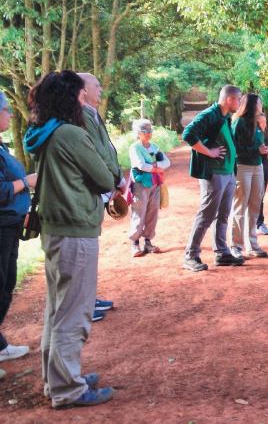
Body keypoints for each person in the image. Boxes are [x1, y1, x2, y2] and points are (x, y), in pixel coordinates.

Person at [24, 70, 117, 408]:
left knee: (57, 310)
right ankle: (68, 389)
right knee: (73, 313)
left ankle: (58, 379)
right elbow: (106, 177)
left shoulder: (44, 132)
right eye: (81, 93)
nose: (85, 98)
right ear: (70, 97)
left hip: (54, 229)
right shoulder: (71, 135)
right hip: (74, 228)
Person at [181, 85, 244, 271]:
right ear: (229, 99)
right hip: (214, 173)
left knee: (223, 215)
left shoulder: (225, 117)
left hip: (227, 172)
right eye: (238, 99)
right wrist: (208, 151)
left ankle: (222, 252)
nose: (240, 103)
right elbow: (188, 134)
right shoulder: (210, 114)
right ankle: (191, 255)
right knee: (206, 214)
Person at [76, 73, 121, 321]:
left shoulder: (91, 112)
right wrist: (115, 179)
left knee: (89, 250)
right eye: (96, 85)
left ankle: (88, 298)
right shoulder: (82, 115)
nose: (101, 89)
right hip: (90, 191)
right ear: (83, 89)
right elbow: (97, 152)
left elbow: (106, 149)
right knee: (82, 252)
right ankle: (83, 304)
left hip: (100, 185)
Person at [0, 93, 36, 367]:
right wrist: (27, 181)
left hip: (9, 226)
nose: (11, 115)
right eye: (7, 110)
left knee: (6, 285)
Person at [231, 93, 268, 258]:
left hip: (258, 167)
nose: (261, 105)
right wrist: (256, 150)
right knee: (240, 206)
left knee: (255, 206)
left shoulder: (257, 122)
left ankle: (252, 245)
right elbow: (235, 148)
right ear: (253, 104)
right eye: (259, 102)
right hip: (243, 167)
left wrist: (262, 151)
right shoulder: (238, 122)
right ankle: (236, 246)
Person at [127, 119, 170, 257]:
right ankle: (135, 243)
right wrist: (157, 167)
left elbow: (167, 162)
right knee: (139, 212)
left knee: (153, 213)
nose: (149, 133)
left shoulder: (154, 146)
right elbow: (140, 165)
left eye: (150, 130)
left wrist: (152, 167)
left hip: (155, 184)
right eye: (146, 131)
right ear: (139, 133)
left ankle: (148, 242)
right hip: (140, 184)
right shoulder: (135, 147)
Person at [255, 113, 268, 236]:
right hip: (253, 167)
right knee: (254, 196)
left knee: (261, 195)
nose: (264, 124)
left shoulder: (264, 134)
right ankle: (256, 223)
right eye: (261, 122)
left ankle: (259, 222)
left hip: (264, 164)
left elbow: (266, 148)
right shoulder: (251, 134)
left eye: (265, 122)